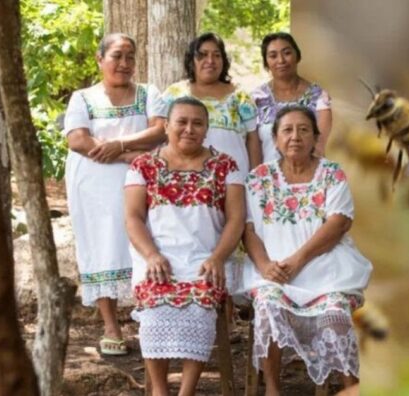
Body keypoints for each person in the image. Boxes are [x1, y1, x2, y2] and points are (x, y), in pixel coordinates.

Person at [238, 105, 372, 395]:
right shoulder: (258, 179)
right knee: (268, 306)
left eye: (303, 130)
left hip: (326, 268)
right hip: (273, 270)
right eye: (287, 130)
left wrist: (298, 259)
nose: (295, 137)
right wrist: (264, 265)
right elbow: (247, 229)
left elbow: (339, 223)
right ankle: (273, 389)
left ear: (315, 137)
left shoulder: (332, 174)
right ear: (275, 139)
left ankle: (352, 388)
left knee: (335, 313)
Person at [124, 97, 245, 396]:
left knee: (201, 303)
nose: (189, 129)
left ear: (206, 129)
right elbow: (133, 218)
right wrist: (151, 255)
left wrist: (218, 257)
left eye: (197, 123)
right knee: (153, 306)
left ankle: (186, 392)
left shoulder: (225, 165)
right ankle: (160, 391)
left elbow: (236, 219)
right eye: (182, 122)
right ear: (166, 126)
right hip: (156, 256)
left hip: (207, 257)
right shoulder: (144, 166)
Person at [63, 32, 166, 356]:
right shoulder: (83, 97)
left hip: (141, 180)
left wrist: (121, 148)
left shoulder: (149, 93)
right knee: (102, 246)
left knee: (149, 242)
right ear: (100, 59)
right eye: (117, 56)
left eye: (130, 57)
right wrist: (123, 153)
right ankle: (111, 326)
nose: (124, 63)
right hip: (93, 185)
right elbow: (78, 139)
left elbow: (160, 130)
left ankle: (151, 322)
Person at [162, 32, 261, 172]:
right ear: (191, 61)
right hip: (185, 180)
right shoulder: (174, 94)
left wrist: (255, 179)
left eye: (216, 55)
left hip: (235, 180)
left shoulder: (240, 96)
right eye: (202, 55)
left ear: (224, 61)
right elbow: (162, 135)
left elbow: (253, 139)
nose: (210, 60)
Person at [251, 32, 333, 163]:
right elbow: (252, 147)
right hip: (267, 179)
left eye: (287, 53)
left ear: (297, 56)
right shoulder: (257, 98)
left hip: (308, 178)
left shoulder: (318, 97)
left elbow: (318, 147)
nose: (281, 60)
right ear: (266, 63)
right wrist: (256, 180)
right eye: (273, 56)